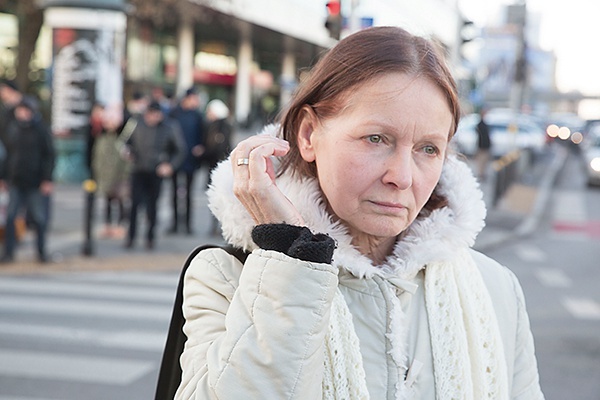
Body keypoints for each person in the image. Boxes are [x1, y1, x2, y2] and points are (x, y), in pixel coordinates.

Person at [175, 27, 544, 399]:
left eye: (428, 149)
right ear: (307, 135)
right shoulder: (228, 278)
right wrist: (291, 259)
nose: (401, 177)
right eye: (376, 139)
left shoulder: (496, 290)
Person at [121, 101, 186, 250]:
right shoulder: (135, 124)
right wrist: (128, 152)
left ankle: (150, 238)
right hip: (138, 169)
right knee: (133, 206)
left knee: (152, 207)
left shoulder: (170, 127)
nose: (153, 118)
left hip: (156, 171)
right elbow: (125, 142)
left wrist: (169, 165)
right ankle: (130, 237)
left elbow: (180, 150)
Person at [0, 96, 55, 263]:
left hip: (35, 181)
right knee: (10, 217)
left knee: (38, 218)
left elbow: (49, 155)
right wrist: (2, 177)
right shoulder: (12, 129)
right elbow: (6, 156)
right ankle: (8, 252)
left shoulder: (40, 130)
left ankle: (41, 252)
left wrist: (47, 179)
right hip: (15, 180)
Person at [167, 88, 205, 235]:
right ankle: (174, 223)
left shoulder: (197, 116)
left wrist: (200, 147)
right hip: (175, 159)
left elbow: (202, 134)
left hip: (191, 159)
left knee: (189, 193)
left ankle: (188, 225)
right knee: (173, 193)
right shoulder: (174, 113)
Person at [91, 108, 130, 239]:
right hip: (105, 176)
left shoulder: (122, 139)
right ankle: (107, 225)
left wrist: (124, 175)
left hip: (119, 176)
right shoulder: (101, 138)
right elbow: (97, 157)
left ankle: (120, 225)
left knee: (120, 201)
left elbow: (126, 159)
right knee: (107, 201)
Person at [475, 107, 492, 180]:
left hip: (485, 145)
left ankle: (482, 173)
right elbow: (482, 136)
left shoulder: (484, 123)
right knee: (481, 160)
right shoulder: (480, 124)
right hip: (482, 146)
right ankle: (480, 173)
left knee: (484, 161)